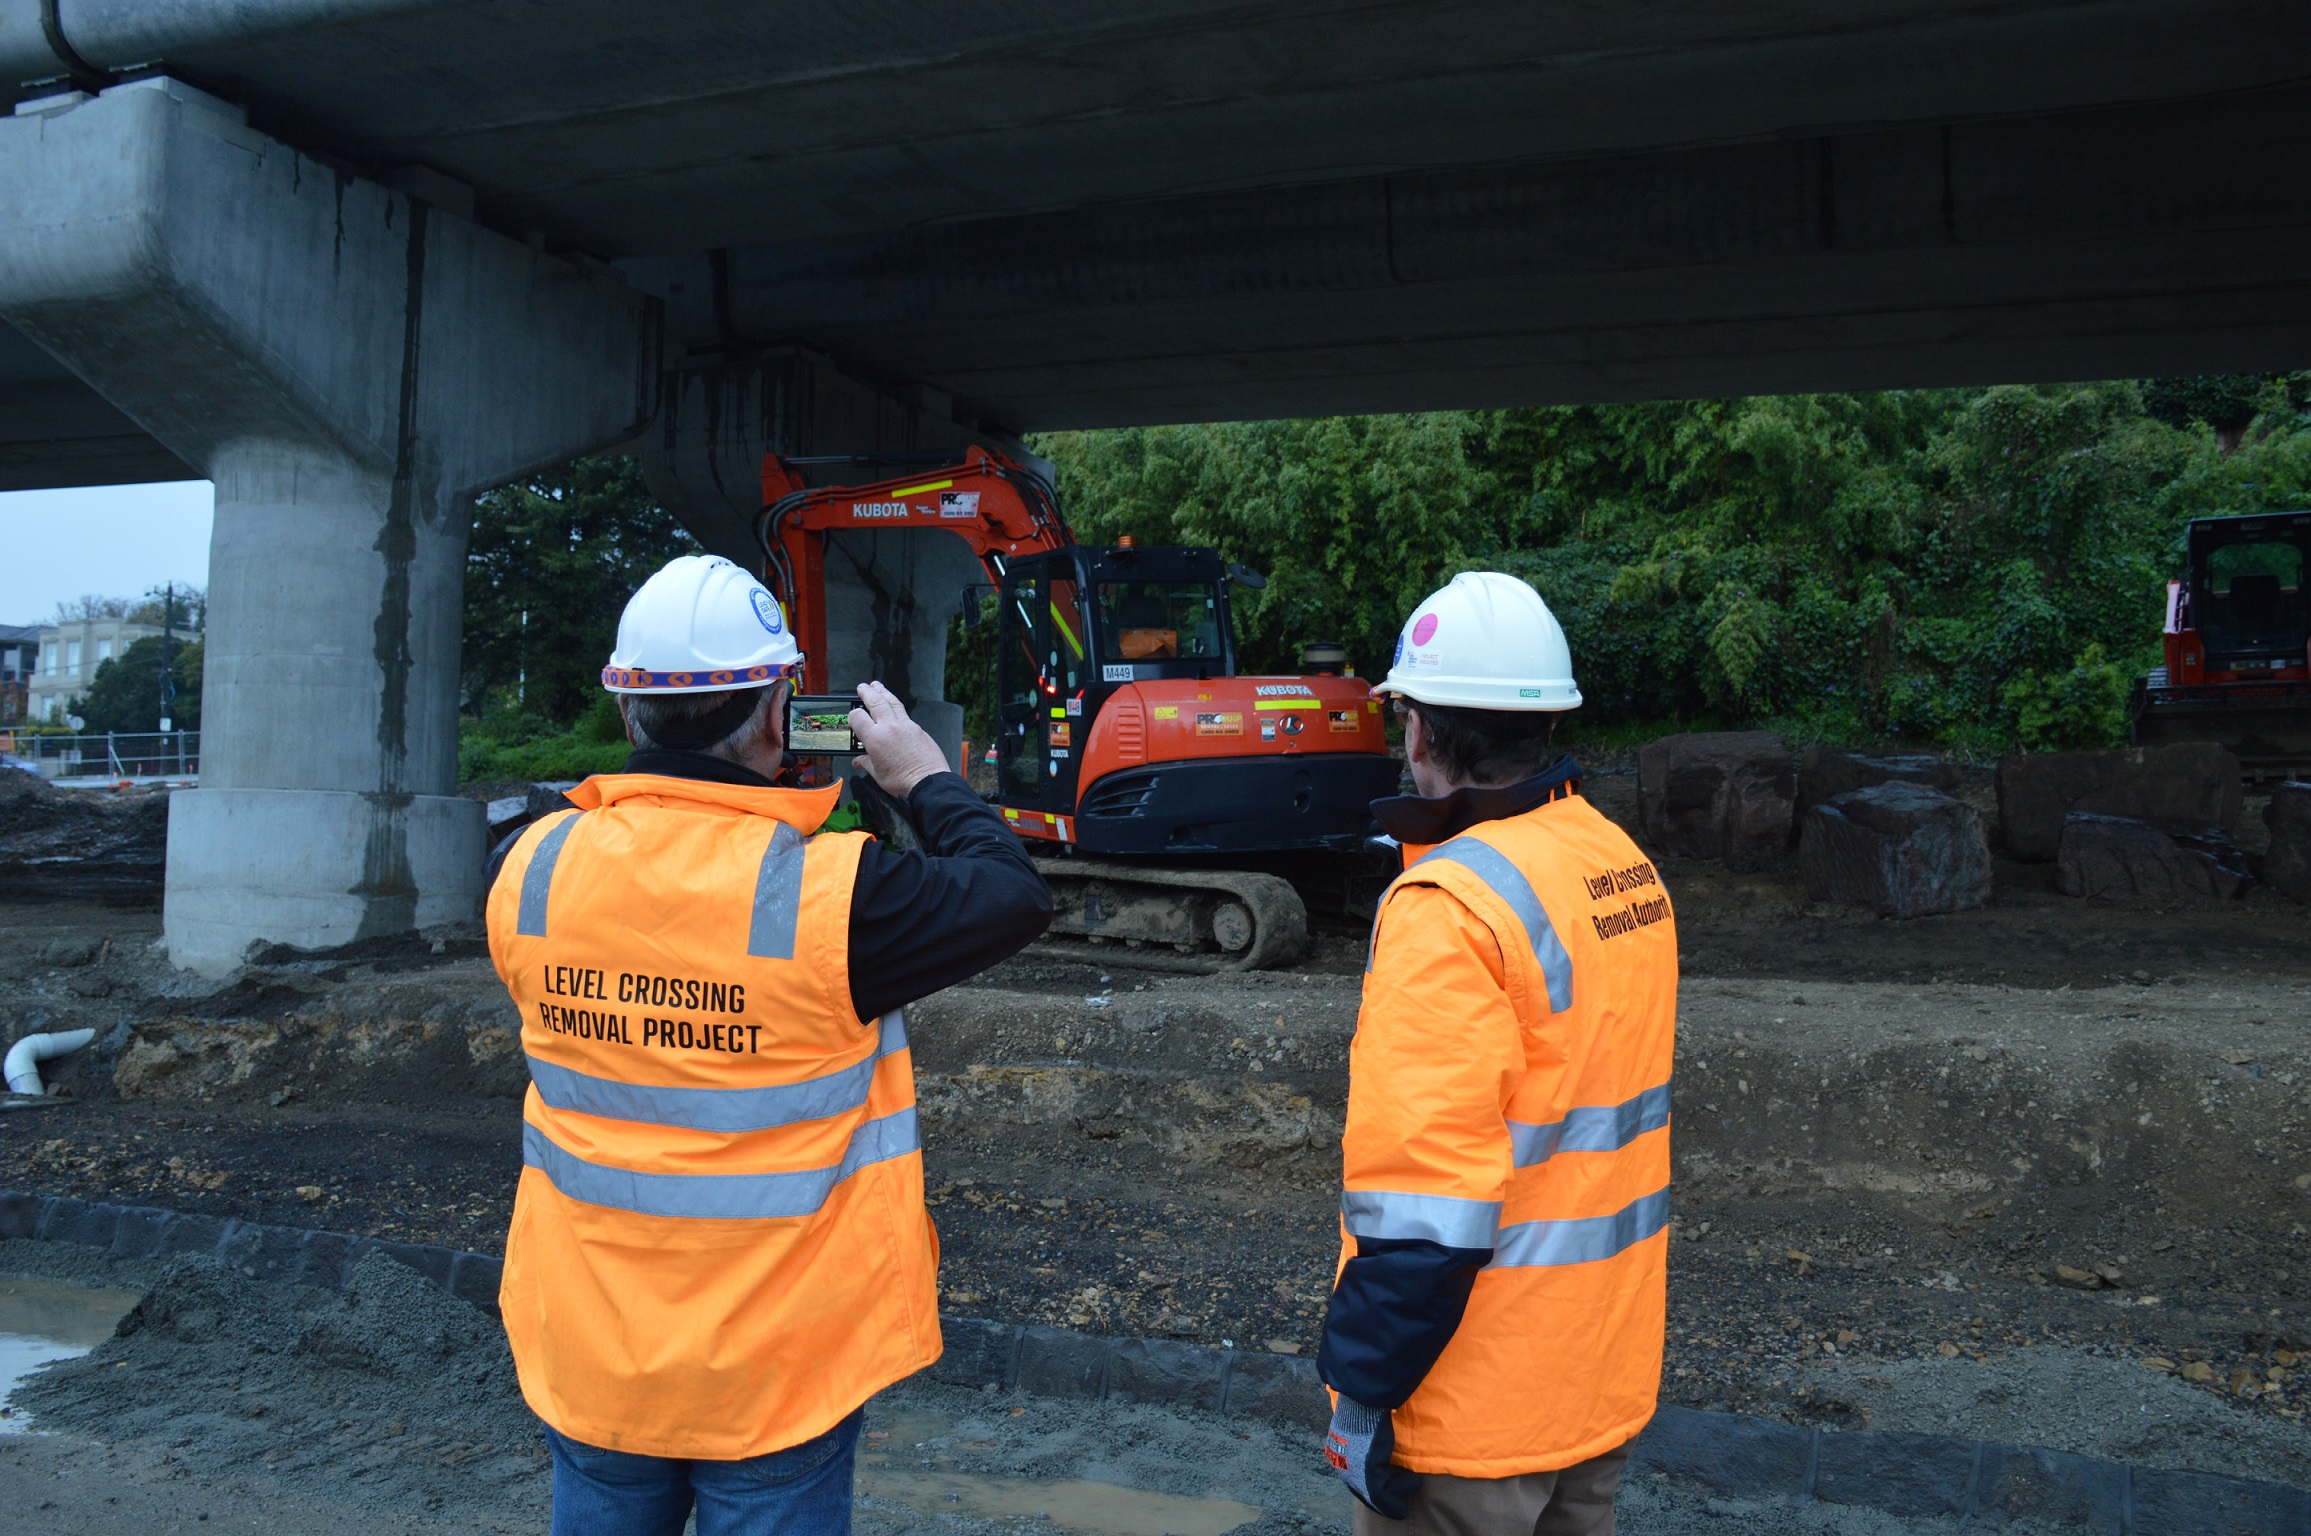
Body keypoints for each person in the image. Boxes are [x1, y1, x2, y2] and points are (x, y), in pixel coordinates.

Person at [485, 554, 1051, 1536]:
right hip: (773, 1368)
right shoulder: (836, 900)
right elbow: (1010, 893)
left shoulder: (527, 867)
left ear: (627, 709)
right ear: (774, 716)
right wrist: (920, 777)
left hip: (591, 1344)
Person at [1318, 571, 1678, 1536]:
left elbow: (1423, 1200)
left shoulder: (1448, 909)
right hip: (1594, 1370)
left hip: (1475, 1405)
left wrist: (1362, 1388)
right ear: (1546, 724)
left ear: (1419, 732)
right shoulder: (1615, 864)